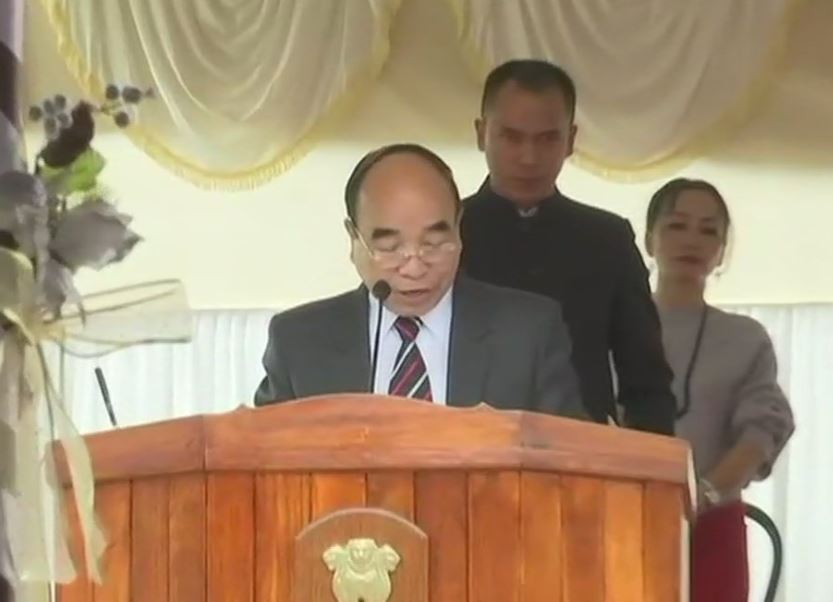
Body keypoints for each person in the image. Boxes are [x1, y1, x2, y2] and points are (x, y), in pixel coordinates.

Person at [254, 143, 586, 419]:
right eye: (389, 247)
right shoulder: (298, 344)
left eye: (433, 243)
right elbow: (261, 467)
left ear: (459, 227)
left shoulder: (527, 333)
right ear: (353, 238)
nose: (414, 268)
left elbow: (573, 464)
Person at [459, 59, 676, 434]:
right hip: (462, 451)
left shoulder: (606, 239)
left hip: (581, 459)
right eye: (511, 137)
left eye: (547, 139)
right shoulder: (444, 233)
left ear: (571, 140)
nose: (529, 157)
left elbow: (647, 383)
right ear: (482, 134)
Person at [645, 178, 794, 602]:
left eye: (708, 230)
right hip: (621, 518)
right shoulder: (613, 329)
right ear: (648, 239)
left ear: (721, 249)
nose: (692, 239)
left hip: (713, 526)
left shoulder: (746, 338)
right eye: (677, 225)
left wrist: (703, 496)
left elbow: (762, 433)